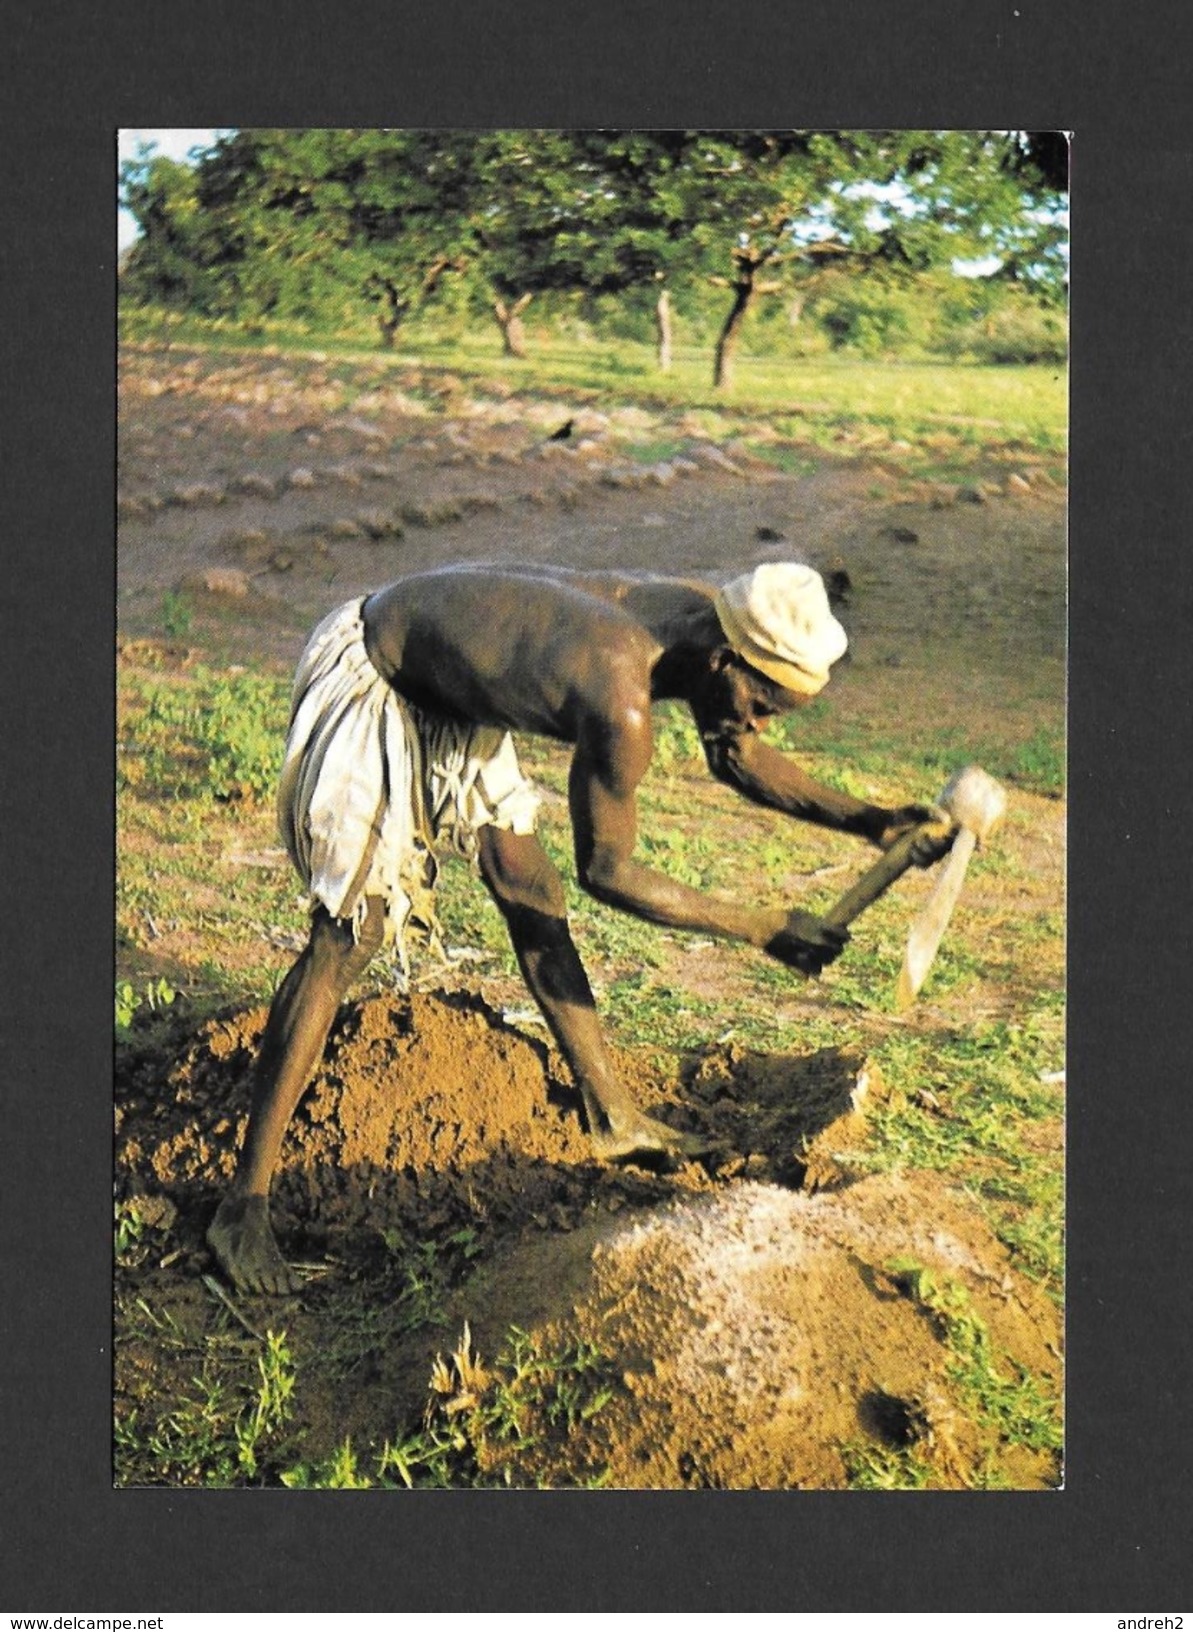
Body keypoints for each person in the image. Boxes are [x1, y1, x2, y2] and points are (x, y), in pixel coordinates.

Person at [207, 561, 949, 1293]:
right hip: (375, 671)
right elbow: (611, 870)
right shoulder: (619, 693)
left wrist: (874, 822)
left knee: (530, 886)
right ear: (726, 658)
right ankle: (244, 1206)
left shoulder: (701, 616)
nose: (756, 722)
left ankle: (611, 1113)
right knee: (349, 936)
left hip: (454, 691)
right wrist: (759, 927)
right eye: (761, 701)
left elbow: (735, 753)